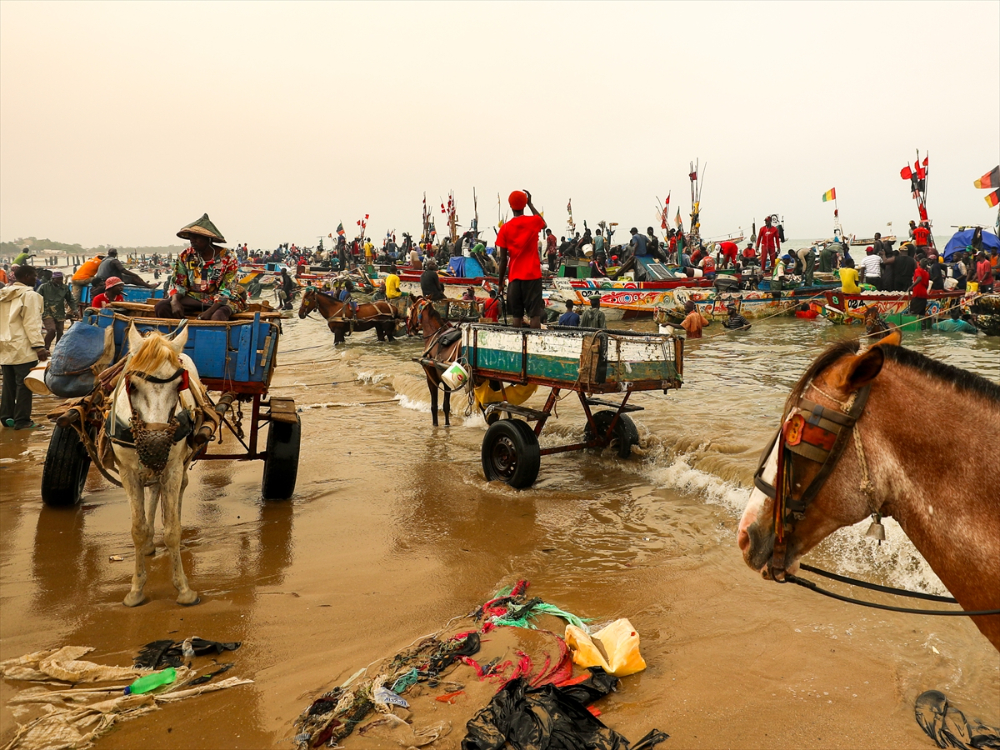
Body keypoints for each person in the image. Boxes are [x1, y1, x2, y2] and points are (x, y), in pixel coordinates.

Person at [152, 214, 246, 321]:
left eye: (197, 237)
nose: (192, 240)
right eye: (191, 237)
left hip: (223, 301)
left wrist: (209, 312)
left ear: (208, 239)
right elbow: (178, 284)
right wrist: (174, 301)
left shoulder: (228, 257)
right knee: (162, 307)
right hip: (196, 297)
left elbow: (227, 290)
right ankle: (179, 330)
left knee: (217, 316)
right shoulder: (185, 255)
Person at [0, 264, 49, 430]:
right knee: (24, 384)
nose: (36, 279)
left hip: (4, 344)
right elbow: (31, 323)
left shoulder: (3, 293)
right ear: (26, 276)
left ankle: (6, 417)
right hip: (23, 345)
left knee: (9, 384)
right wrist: (39, 347)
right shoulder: (30, 295)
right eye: (34, 276)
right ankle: (22, 420)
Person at [496, 190, 546, 329]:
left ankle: (516, 342)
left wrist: (500, 284)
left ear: (510, 206)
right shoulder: (533, 221)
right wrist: (530, 204)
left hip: (515, 277)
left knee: (517, 317)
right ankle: (534, 341)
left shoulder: (505, 228)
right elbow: (544, 223)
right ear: (524, 205)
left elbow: (503, 260)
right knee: (534, 316)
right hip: (533, 275)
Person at [92, 248, 157, 296]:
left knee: (130, 277)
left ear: (108, 254)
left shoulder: (103, 260)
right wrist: (135, 274)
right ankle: (148, 286)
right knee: (133, 277)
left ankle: (143, 283)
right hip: (109, 279)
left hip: (101, 279)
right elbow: (123, 270)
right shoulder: (114, 261)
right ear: (116, 254)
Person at [37, 271, 77, 348]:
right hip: (47, 312)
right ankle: (45, 347)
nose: (60, 281)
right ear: (53, 279)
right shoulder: (44, 287)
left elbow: (70, 300)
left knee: (60, 332)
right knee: (51, 330)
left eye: (61, 279)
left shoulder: (64, 288)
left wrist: (75, 310)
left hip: (59, 312)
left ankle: (58, 348)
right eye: (58, 279)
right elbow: (36, 298)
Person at [908, 259, 931, 323]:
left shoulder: (917, 270)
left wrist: (911, 287)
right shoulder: (927, 273)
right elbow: (926, 285)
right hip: (924, 294)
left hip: (917, 294)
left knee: (913, 313)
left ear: (919, 264)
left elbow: (919, 278)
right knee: (921, 314)